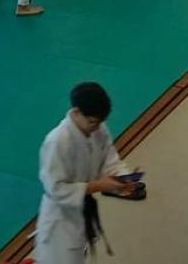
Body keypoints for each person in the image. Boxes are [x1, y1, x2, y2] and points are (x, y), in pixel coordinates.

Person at [35, 82, 140, 264]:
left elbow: (110, 160)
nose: (96, 127)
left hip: (80, 216)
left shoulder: (98, 128)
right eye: (92, 122)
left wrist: (123, 178)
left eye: (99, 122)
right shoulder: (58, 141)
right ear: (76, 112)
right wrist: (98, 186)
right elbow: (56, 189)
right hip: (59, 223)